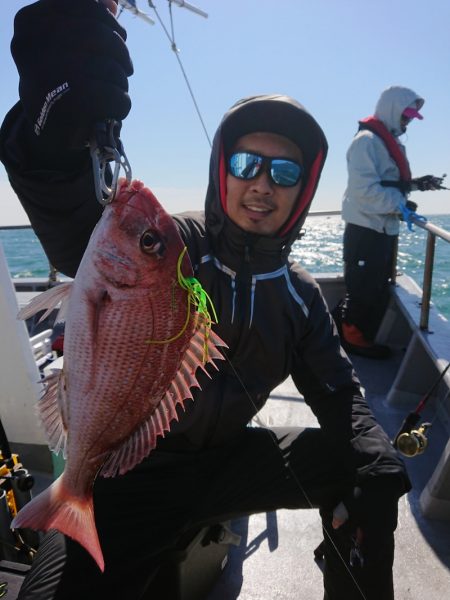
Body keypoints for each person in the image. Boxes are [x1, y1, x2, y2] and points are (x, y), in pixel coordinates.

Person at [0, 2, 410, 599]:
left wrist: (373, 453)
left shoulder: (299, 294)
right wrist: (55, 136)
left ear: (305, 189)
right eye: (247, 164)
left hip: (229, 464)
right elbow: (75, 232)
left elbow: (338, 390)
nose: (263, 184)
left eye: (285, 173)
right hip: (135, 473)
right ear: (223, 170)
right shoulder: (175, 250)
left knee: (365, 473)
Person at [339, 85, 441, 359]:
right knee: (362, 287)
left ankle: (358, 334)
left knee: (373, 284)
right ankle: (351, 340)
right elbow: (365, 190)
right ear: (392, 110)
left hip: (381, 228)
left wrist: (417, 184)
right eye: (405, 116)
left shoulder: (387, 142)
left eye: (410, 118)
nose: (407, 122)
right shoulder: (366, 142)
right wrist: (400, 205)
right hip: (365, 228)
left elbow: (389, 182)